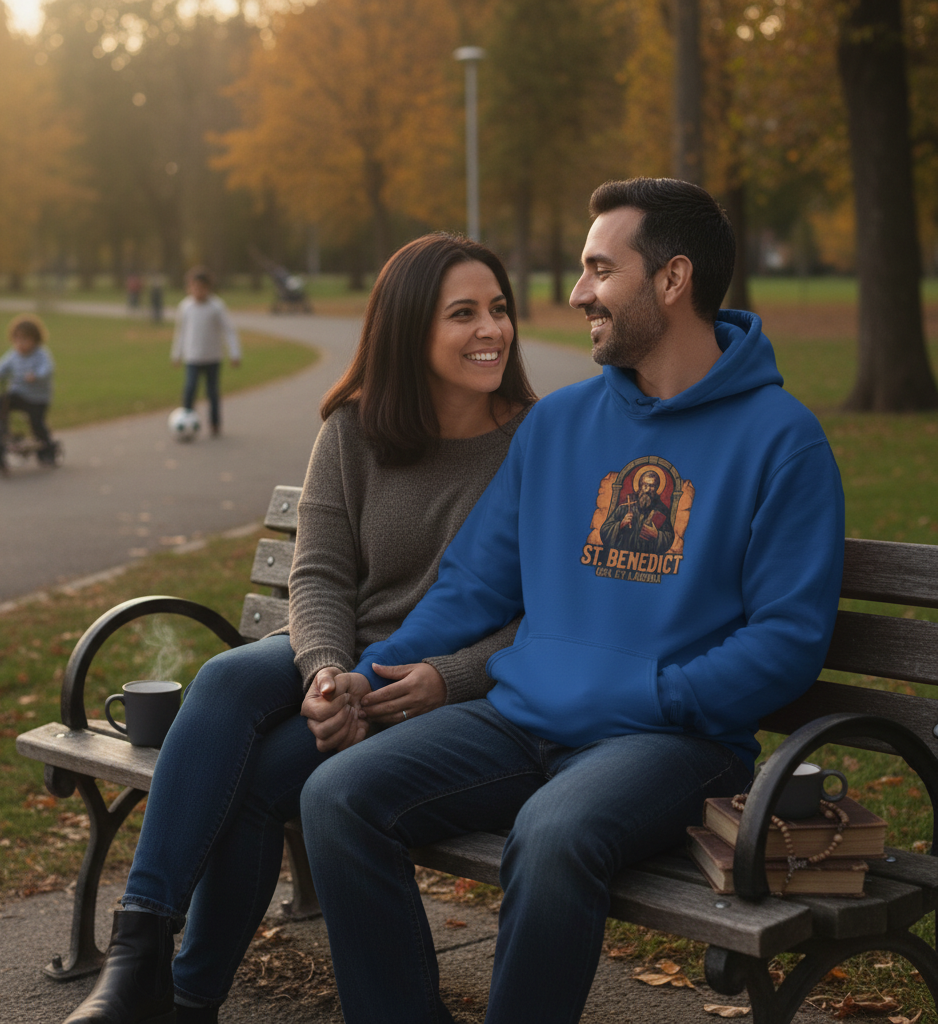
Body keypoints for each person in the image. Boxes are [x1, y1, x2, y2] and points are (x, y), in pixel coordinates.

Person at [299, 178, 847, 1024]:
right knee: (336, 796)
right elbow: (477, 585)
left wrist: (661, 693)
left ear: (672, 280)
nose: (576, 293)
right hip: (521, 721)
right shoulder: (558, 425)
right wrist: (368, 675)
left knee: (553, 834)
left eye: (599, 269)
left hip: (670, 740)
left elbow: (786, 640)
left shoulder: (783, 440)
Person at [62, 233, 537, 1024]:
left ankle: (180, 997)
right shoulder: (353, 430)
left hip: (436, 687)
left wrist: (445, 678)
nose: (491, 330)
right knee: (225, 677)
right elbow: (315, 575)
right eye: (463, 313)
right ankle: (140, 955)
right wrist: (323, 671)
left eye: (498, 309)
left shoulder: (535, 442)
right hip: (341, 656)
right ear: (409, 327)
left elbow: (546, 614)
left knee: (255, 786)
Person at [171, 268, 241, 437]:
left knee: (212, 392)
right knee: (190, 389)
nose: (198, 291)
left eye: (201, 288)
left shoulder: (217, 306)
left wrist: (235, 352)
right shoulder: (185, 307)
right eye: (194, 287)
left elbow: (229, 330)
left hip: (212, 357)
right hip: (192, 357)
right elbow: (180, 332)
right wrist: (176, 354)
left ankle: (215, 424)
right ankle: (186, 421)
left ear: (208, 288)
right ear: (189, 287)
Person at [0, 314, 56, 466]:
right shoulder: (14, 355)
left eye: (25, 339)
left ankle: (47, 450)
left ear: (35, 340)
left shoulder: (41, 354)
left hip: (37, 398)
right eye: (17, 339)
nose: (20, 343)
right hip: (19, 394)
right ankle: (1, 428)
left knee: (37, 424)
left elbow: (47, 369)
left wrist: (36, 375)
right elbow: (2, 366)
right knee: (2, 401)